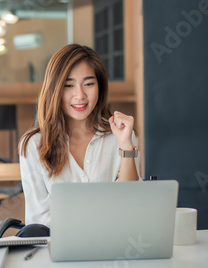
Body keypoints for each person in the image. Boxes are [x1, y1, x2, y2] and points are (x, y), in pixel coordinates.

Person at [16, 44, 141, 237]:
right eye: (68, 85)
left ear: (100, 86)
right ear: (54, 88)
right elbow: (39, 219)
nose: (80, 95)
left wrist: (126, 146)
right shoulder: (33, 144)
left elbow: (130, 204)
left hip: (113, 245)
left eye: (89, 84)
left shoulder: (121, 135)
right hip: (58, 249)